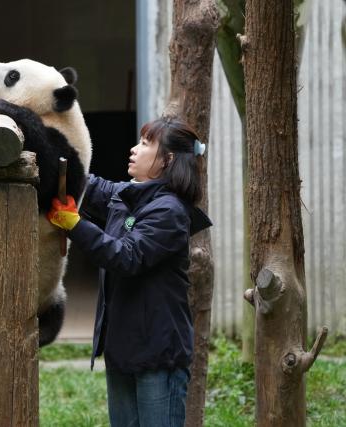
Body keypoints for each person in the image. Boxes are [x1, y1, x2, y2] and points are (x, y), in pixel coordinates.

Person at [47, 117, 212, 427]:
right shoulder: (130, 197)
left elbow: (127, 257)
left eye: (146, 144)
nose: (134, 150)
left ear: (168, 160)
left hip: (158, 355)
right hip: (123, 349)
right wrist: (48, 152)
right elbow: (90, 186)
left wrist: (74, 224)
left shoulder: (170, 211)